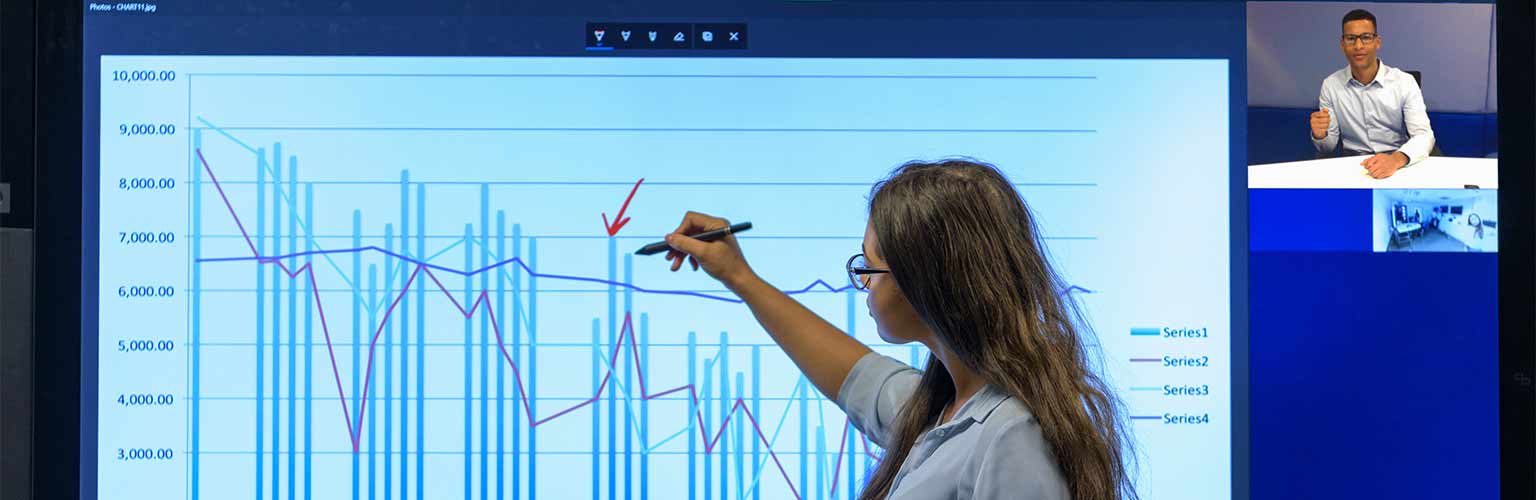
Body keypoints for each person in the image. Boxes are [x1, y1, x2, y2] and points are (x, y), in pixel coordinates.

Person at [659, 159, 1136, 500]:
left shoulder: (1013, 440)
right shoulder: (946, 410)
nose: (862, 282)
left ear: (924, 280)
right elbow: (856, 377)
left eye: (870, 267)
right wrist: (739, 277)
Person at [1310, 8, 1436, 179]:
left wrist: (1395, 160)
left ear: (1377, 42)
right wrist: (1320, 135)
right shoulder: (1330, 85)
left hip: (1398, 162)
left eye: (1366, 37)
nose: (1358, 46)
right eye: (1351, 38)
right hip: (1354, 165)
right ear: (1342, 44)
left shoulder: (1404, 82)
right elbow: (1328, 147)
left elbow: (1423, 135)